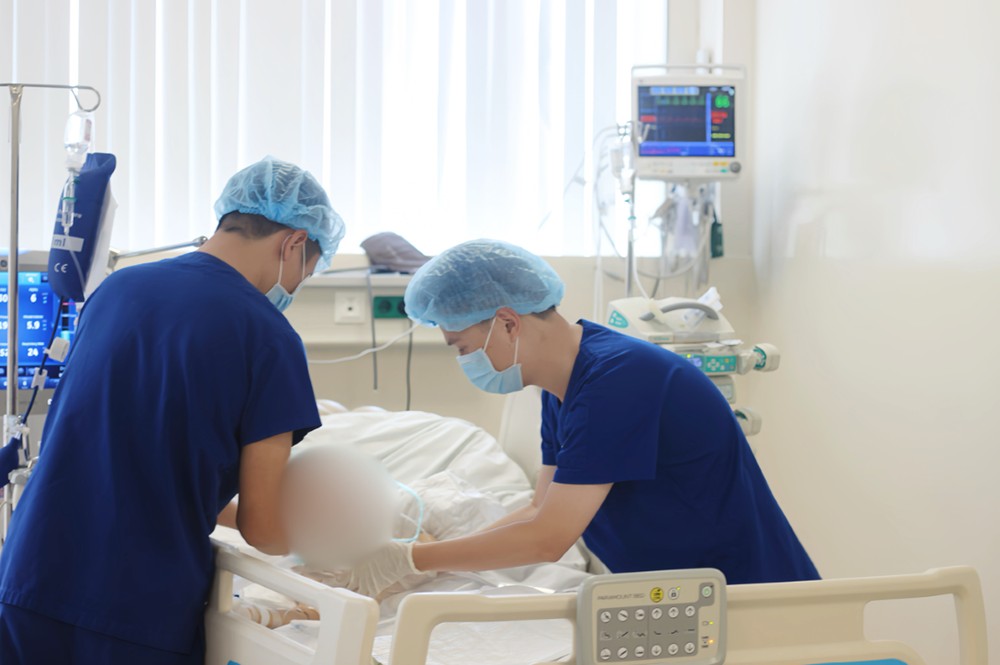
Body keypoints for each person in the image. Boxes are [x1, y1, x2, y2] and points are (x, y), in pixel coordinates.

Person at [0, 156, 345, 664]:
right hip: (133, 604)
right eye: (304, 275)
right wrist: (332, 537)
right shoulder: (269, 338)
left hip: (30, 578)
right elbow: (264, 528)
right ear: (294, 243)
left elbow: (147, 465)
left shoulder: (116, 290)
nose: (292, 290)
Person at [345, 239, 819, 599]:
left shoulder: (618, 380)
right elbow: (538, 509)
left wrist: (412, 559)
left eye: (463, 347)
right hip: (682, 597)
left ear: (507, 323)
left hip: (750, 598)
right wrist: (420, 561)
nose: (464, 361)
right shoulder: (563, 388)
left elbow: (547, 538)